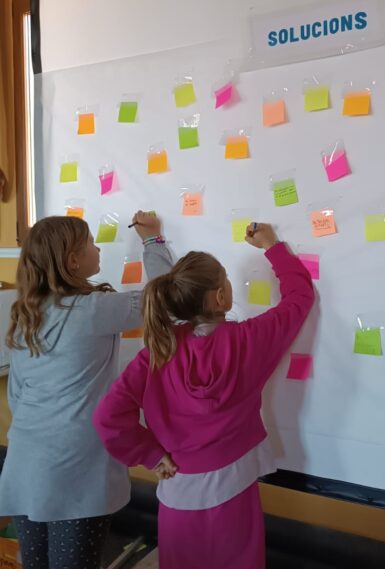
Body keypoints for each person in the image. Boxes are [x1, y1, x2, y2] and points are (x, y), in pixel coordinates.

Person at [93, 223, 315, 569]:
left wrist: (150, 454)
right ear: (221, 298)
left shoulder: (158, 350)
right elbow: (300, 298)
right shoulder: (248, 340)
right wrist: (272, 246)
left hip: (177, 492)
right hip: (234, 488)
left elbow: (107, 416)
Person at [0, 211, 172, 569]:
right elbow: (165, 298)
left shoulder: (26, 313)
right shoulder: (94, 309)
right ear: (73, 261)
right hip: (75, 468)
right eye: (91, 243)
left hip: (25, 462)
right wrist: (152, 240)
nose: (98, 248)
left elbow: (17, 395)